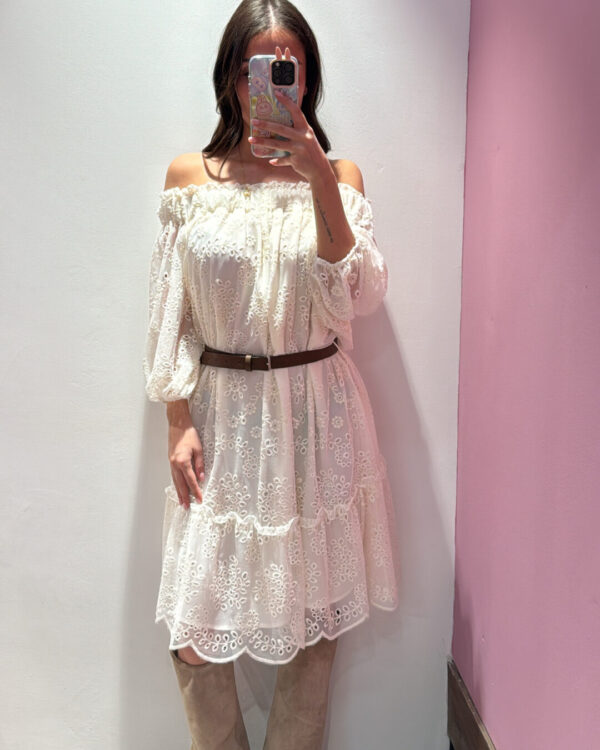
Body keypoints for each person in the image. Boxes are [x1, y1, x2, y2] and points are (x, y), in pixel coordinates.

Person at [142, 0, 400, 747]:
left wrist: (317, 174)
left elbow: (356, 296)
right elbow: (171, 310)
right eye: (261, 66)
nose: (275, 79)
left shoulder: (340, 176)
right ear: (232, 75)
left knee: (312, 614)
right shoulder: (191, 177)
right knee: (195, 628)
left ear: (308, 78)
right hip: (221, 415)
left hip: (317, 408)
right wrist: (178, 417)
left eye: (292, 67)